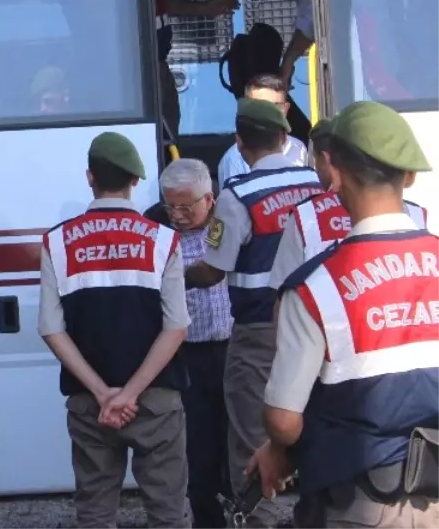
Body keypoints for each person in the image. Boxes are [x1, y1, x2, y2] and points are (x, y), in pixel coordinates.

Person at [248, 101, 439, 526]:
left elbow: (283, 420)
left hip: (362, 499)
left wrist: (279, 449)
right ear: (408, 175)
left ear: (333, 170)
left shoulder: (314, 289)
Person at [184, 99, 323, 529]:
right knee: (317, 423)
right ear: (286, 138)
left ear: (240, 143)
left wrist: (174, 275)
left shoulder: (237, 195)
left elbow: (212, 270)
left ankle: (262, 521)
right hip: (321, 326)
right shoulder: (319, 185)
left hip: (259, 332)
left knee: (251, 435)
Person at [40, 133, 189, 529]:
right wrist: (131, 393)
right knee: (169, 513)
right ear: (135, 181)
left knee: (94, 513)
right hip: (155, 400)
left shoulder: (56, 242)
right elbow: (176, 327)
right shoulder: (164, 240)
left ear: (90, 177)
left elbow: (50, 329)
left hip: (90, 403)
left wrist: (104, 392)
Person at [269, 116, 430, 291]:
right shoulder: (416, 214)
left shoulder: (305, 216)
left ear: (327, 160)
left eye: (316, 161)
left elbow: (281, 292)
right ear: (409, 176)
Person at [158, 159, 231, 529]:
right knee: (197, 451)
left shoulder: (227, 225)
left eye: (187, 206)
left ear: (210, 198)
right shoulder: (158, 234)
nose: (178, 214)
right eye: (172, 205)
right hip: (188, 357)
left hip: (233, 353)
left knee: (236, 446)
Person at [153, 0, 239, 140]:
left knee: (169, 130)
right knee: (163, 136)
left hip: (159, 61)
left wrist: (204, 9)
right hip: (146, 66)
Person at [216, 74, 310, 185]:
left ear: (286, 108)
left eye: (275, 106)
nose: (268, 114)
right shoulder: (233, 160)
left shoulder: (299, 149)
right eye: (260, 107)